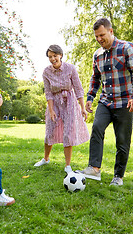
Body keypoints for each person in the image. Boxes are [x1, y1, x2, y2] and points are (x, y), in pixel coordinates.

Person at [80, 18, 133, 186]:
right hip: (106, 101)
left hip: (125, 102)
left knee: (122, 141)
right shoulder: (97, 55)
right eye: (96, 37)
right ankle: (94, 168)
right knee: (97, 128)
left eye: (102, 35)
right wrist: (90, 97)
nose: (100, 39)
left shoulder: (127, 48)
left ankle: (118, 176)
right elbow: (96, 78)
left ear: (111, 31)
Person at [34, 45, 90, 173]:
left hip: (69, 102)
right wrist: (51, 110)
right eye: (50, 57)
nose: (53, 59)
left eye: (55, 56)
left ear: (60, 55)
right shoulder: (46, 72)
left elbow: (78, 89)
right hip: (54, 102)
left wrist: (82, 108)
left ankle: (67, 165)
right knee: (50, 131)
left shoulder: (70, 68)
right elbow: (48, 93)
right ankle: (46, 159)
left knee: (68, 133)